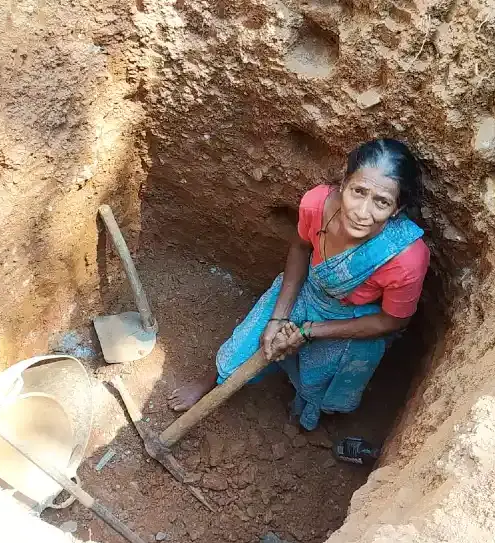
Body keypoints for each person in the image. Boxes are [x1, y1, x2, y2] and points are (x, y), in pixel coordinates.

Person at [169, 138, 430, 431]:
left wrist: (309, 332)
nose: (362, 211)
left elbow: (391, 321)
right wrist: (278, 318)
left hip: (352, 319)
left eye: (381, 202)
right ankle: (210, 381)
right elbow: (300, 249)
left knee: (320, 383)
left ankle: (309, 406)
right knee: (245, 347)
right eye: (359, 192)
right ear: (344, 182)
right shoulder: (316, 204)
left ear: (397, 209)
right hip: (308, 289)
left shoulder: (407, 258)